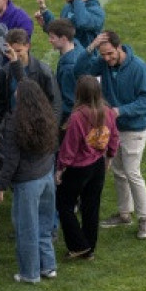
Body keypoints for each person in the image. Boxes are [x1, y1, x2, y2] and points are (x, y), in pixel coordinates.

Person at [75, 31, 146, 239]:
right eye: (103, 54)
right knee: (118, 171)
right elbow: (79, 72)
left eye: (110, 53)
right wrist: (91, 47)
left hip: (134, 128)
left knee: (132, 172)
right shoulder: (103, 63)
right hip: (112, 127)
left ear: (119, 47)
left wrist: (121, 111)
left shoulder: (139, 68)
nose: (107, 58)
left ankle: (144, 219)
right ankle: (124, 213)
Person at [0, 80, 59, 283]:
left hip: (28, 182)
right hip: (46, 175)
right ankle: (48, 266)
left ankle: (30, 273)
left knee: (27, 229)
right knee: (45, 224)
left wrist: (1, 186)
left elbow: (11, 160)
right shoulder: (47, 114)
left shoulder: (14, 122)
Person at [56, 75, 120, 260]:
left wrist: (60, 168)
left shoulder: (77, 117)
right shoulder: (108, 112)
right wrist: (109, 156)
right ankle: (89, 248)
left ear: (79, 93)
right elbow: (114, 136)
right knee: (91, 206)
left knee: (64, 205)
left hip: (78, 168)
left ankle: (79, 246)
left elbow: (70, 147)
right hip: (97, 165)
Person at [0, 28, 61, 168]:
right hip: (15, 126)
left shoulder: (43, 72)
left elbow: (55, 103)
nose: (15, 55)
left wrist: (51, 130)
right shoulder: (5, 72)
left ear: (28, 46)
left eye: (19, 51)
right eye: (11, 51)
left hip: (38, 127)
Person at [34, 0, 105, 49]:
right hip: (68, 55)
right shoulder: (68, 7)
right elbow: (61, 31)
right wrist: (43, 9)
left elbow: (82, 22)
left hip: (87, 56)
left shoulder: (96, 11)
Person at [44, 19, 79, 135]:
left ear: (64, 39)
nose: (49, 40)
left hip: (67, 121)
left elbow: (69, 101)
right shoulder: (76, 46)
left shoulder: (68, 67)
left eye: (52, 37)